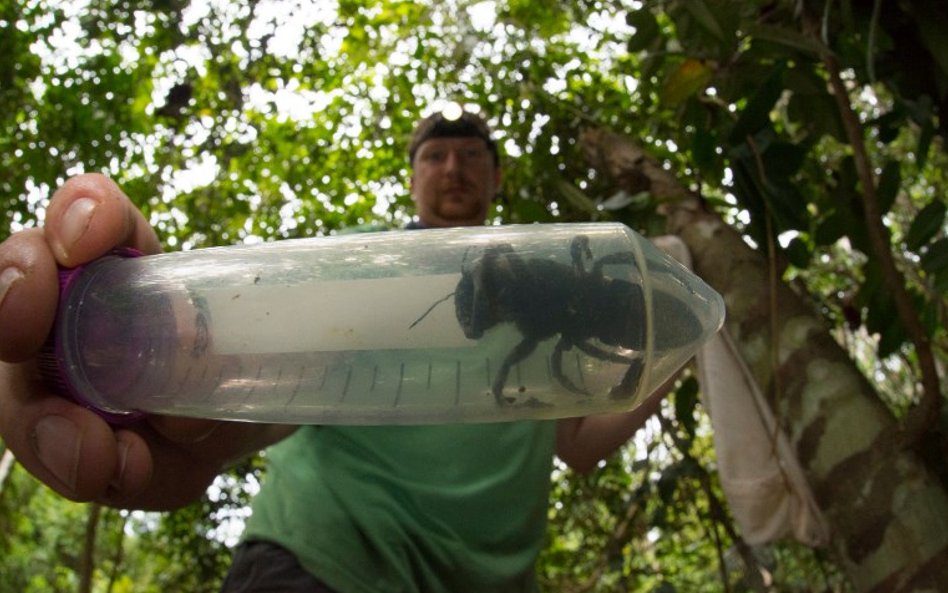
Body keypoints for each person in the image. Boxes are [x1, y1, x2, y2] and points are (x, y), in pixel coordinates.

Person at [0, 109, 669, 592]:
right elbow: (279, 369)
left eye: (470, 154)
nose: (453, 167)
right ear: (412, 179)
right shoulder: (368, 259)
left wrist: (674, 345)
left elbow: (579, 441)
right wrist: (185, 394)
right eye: (435, 156)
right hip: (322, 562)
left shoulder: (545, 261)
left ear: (496, 177)